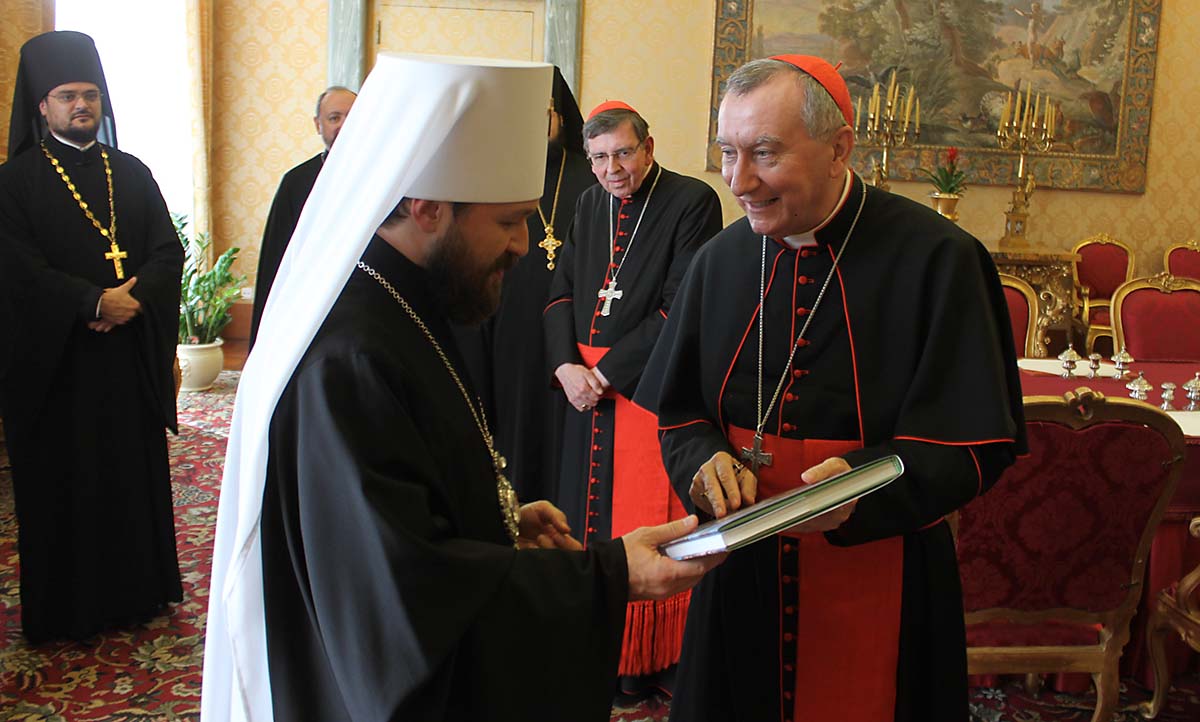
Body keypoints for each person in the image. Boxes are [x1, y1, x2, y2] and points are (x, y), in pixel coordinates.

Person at [200, 53, 721, 722]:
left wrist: (499, 522)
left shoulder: (405, 299)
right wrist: (611, 573)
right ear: (427, 209)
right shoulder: (349, 356)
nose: (523, 245)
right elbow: (406, 592)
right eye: (508, 221)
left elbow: (415, 492)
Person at [636, 55, 1027, 722]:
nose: (739, 180)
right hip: (742, 569)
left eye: (764, 152)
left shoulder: (939, 259)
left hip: (885, 569)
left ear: (840, 147)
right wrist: (703, 463)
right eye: (727, 152)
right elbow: (679, 414)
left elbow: (973, 447)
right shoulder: (720, 261)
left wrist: (862, 486)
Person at [0, 30, 184, 643]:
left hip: (124, 362)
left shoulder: (131, 172)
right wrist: (89, 301)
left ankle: (138, 594)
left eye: (90, 95)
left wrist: (129, 301)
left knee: (129, 481)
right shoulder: (14, 182)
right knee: (66, 486)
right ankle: (68, 610)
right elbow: (15, 269)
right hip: (58, 369)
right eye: (66, 96)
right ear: (41, 106)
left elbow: (168, 249)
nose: (81, 105)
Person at [543, 100, 723, 693]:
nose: (611, 169)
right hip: (582, 389)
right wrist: (566, 366)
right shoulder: (589, 203)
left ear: (647, 147)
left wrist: (608, 372)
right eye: (599, 158)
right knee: (588, 520)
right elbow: (560, 290)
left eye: (623, 153)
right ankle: (599, 650)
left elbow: (681, 305)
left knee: (642, 518)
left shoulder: (691, 201)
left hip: (648, 385)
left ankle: (652, 660)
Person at [451, 66, 595, 504]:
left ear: (562, 117)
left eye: (545, 113)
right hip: (508, 325)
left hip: (575, 333)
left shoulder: (592, 179)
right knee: (514, 423)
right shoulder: (496, 175)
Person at [248, 85, 356, 348]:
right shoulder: (296, 182)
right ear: (318, 124)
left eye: (352, 116)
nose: (343, 124)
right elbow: (276, 258)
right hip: (308, 304)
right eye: (334, 117)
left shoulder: (384, 177)